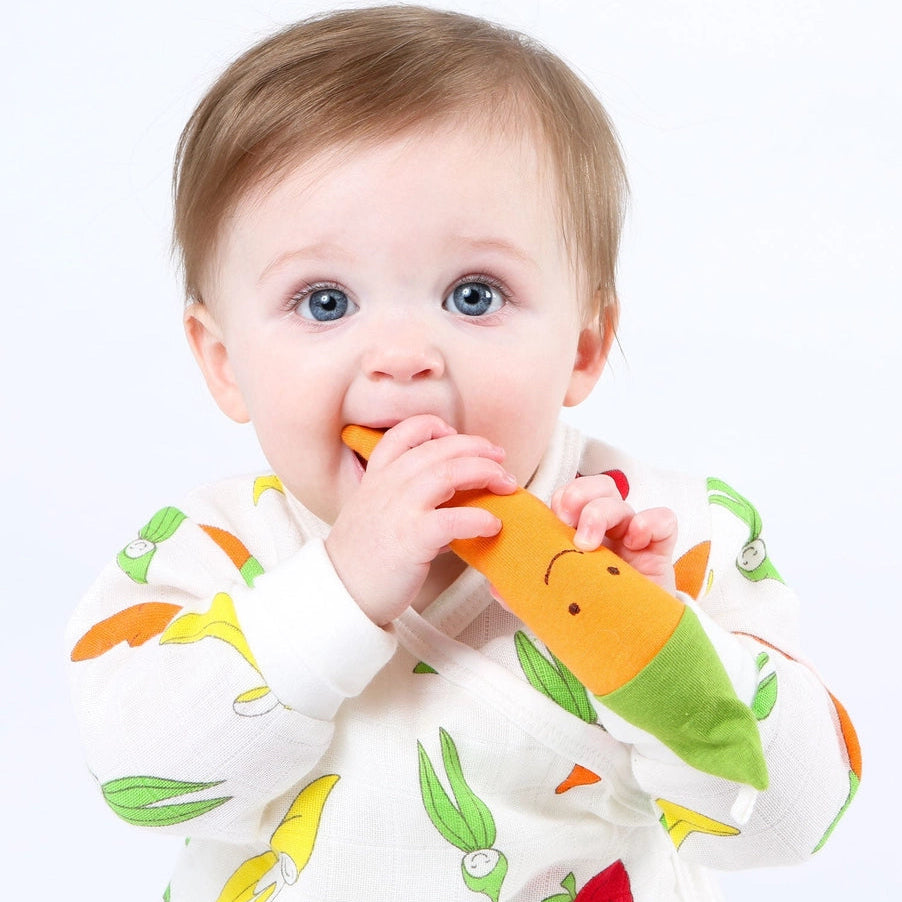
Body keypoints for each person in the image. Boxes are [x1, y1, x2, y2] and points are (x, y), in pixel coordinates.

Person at [66, 6, 860, 900]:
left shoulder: (666, 538)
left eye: (474, 294)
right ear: (225, 364)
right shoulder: (211, 551)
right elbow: (147, 785)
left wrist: (652, 642)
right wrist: (337, 591)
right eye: (325, 302)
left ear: (585, 346)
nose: (404, 355)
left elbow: (800, 820)